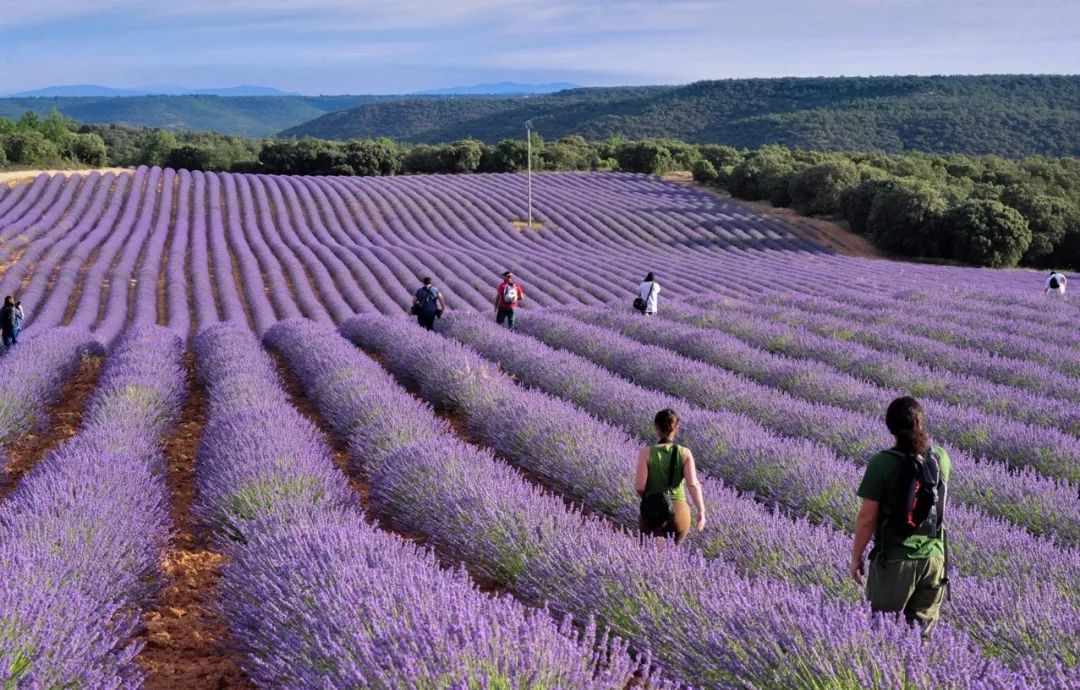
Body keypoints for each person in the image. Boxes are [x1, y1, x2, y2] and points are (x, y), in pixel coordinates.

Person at [850, 396, 951, 638]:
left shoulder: (882, 463)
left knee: (883, 635)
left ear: (890, 426)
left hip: (896, 561)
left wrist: (856, 558)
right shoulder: (941, 457)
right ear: (921, 423)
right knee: (920, 640)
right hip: (935, 559)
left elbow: (867, 518)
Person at [634, 409, 707, 545]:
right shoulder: (685, 453)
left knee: (646, 553)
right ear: (676, 428)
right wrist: (701, 512)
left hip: (653, 512)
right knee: (673, 554)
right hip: (679, 511)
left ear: (656, 427)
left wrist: (650, 499)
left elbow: (639, 486)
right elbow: (693, 484)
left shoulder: (646, 453)